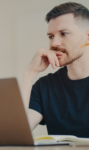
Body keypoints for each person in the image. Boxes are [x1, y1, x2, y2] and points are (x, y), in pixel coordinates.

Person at [21, 2, 89, 138]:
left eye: (63, 34)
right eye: (51, 36)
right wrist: (30, 72)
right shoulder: (44, 86)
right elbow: (15, 132)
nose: (54, 44)